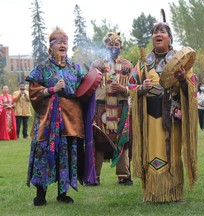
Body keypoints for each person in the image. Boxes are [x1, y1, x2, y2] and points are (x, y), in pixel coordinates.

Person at [26, 27, 102, 206]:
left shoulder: (75, 68)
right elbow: (34, 92)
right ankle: (40, 194)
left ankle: (63, 192)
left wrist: (96, 73)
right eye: (58, 42)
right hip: (48, 120)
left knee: (67, 153)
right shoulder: (42, 68)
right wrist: (52, 89)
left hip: (71, 119)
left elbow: (86, 88)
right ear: (50, 47)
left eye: (65, 42)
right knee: (44, 152)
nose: (62, 44)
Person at [129, 22, 198, 202]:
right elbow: (131, 85)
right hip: (151, 116)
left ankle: (174, 193)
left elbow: (192, 86)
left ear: (170, 37)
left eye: (162, 31)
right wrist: (141, 88)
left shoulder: (179, 60)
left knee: (173, 153)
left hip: (172, 114)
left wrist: (183, 80)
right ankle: (153, 192)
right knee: (153, 151)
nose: (158, 34)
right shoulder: (144, 62)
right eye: (155, 32)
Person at [91, 32, 133, 186]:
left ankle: (124, 175)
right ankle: (94, 176)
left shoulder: (128, 65)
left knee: (123, 141)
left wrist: (123, 89)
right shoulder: (97, 65)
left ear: (121, 47)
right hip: (100, 107)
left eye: (116, 44)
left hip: (121, 107)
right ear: (105, 45)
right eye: (110, 44)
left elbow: (134, 87)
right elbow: (89, 86)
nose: (113, 47)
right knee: (99, 141)